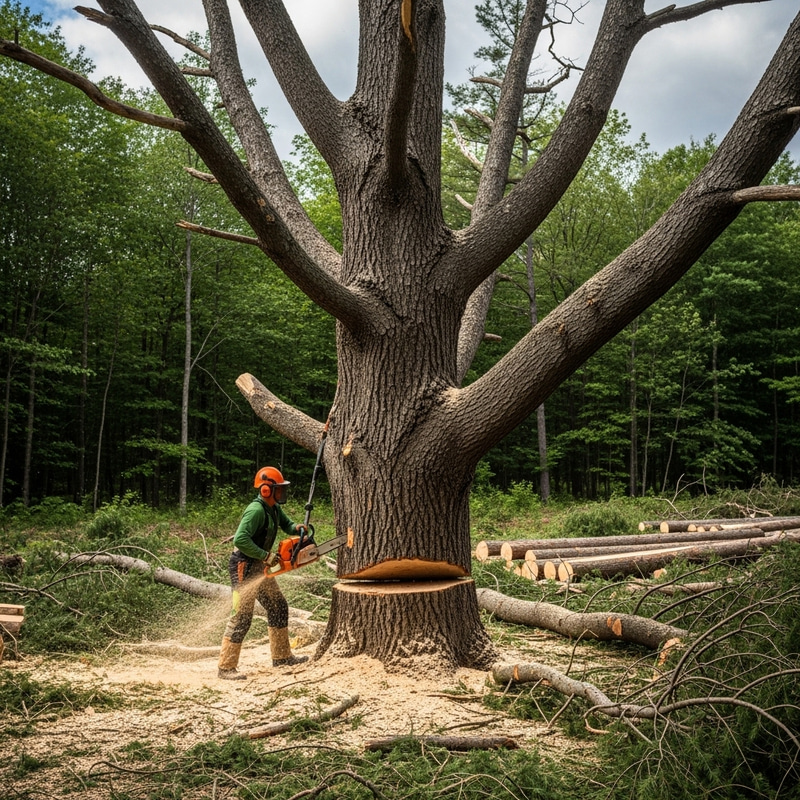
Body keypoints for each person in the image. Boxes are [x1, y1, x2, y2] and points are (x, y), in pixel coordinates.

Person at [217, 466, 309, 679]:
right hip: (244, 566)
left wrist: (297, 528)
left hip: (259, 565)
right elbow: (240, 539)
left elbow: (286, 525)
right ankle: (226, 667)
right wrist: (265, 555)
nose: (281, 493)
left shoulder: (273, 507)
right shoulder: (256, 510)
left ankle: (282, 657)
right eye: (278, 489)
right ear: (267, 489)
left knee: (278, 606)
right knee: (242, 616)